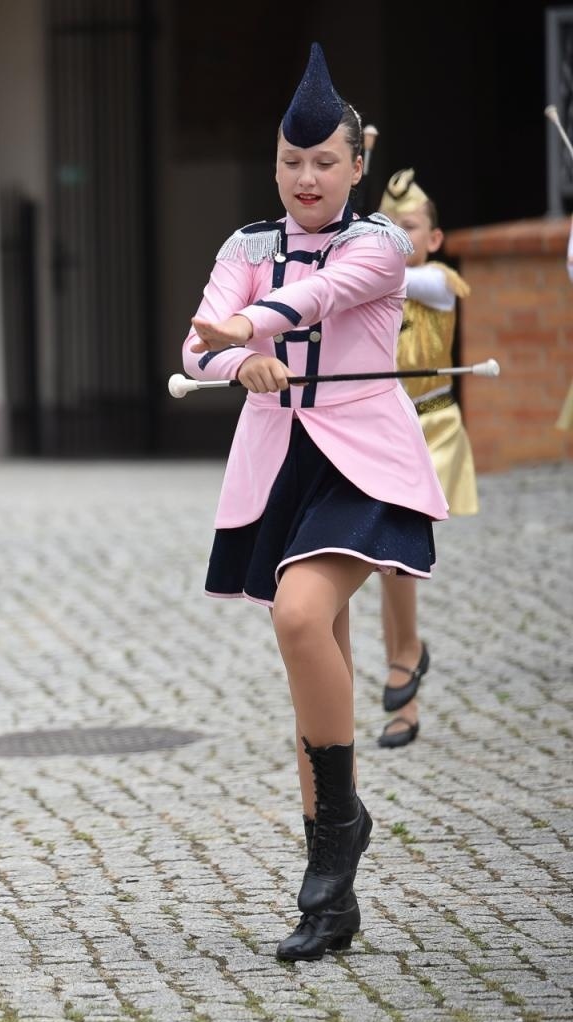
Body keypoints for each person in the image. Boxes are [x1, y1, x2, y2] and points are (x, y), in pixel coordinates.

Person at [182, 44, 447, 961]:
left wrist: (254, 327)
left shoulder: (379, 244)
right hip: (277, 463)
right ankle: (331, 890)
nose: (305, 177)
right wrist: (233, 359)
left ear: (357, 164)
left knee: (301, 616)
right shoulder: (245, 246)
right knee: (314, 651)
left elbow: (322, 296)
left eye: (324, 162)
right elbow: (198, 348)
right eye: (291, 162)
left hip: (362, 459)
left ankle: (337, 835)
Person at [372, 168, 478, 747]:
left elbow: (404, 280)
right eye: (386, 227)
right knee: (386, 562)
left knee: (394, 548)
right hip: (386, 431)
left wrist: (361, 252)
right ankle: (404, 702)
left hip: (432, 428)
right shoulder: (380, 280)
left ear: (434, 239)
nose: (396, 237)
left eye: (407, 227)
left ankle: (406, 658)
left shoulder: (436, 279)